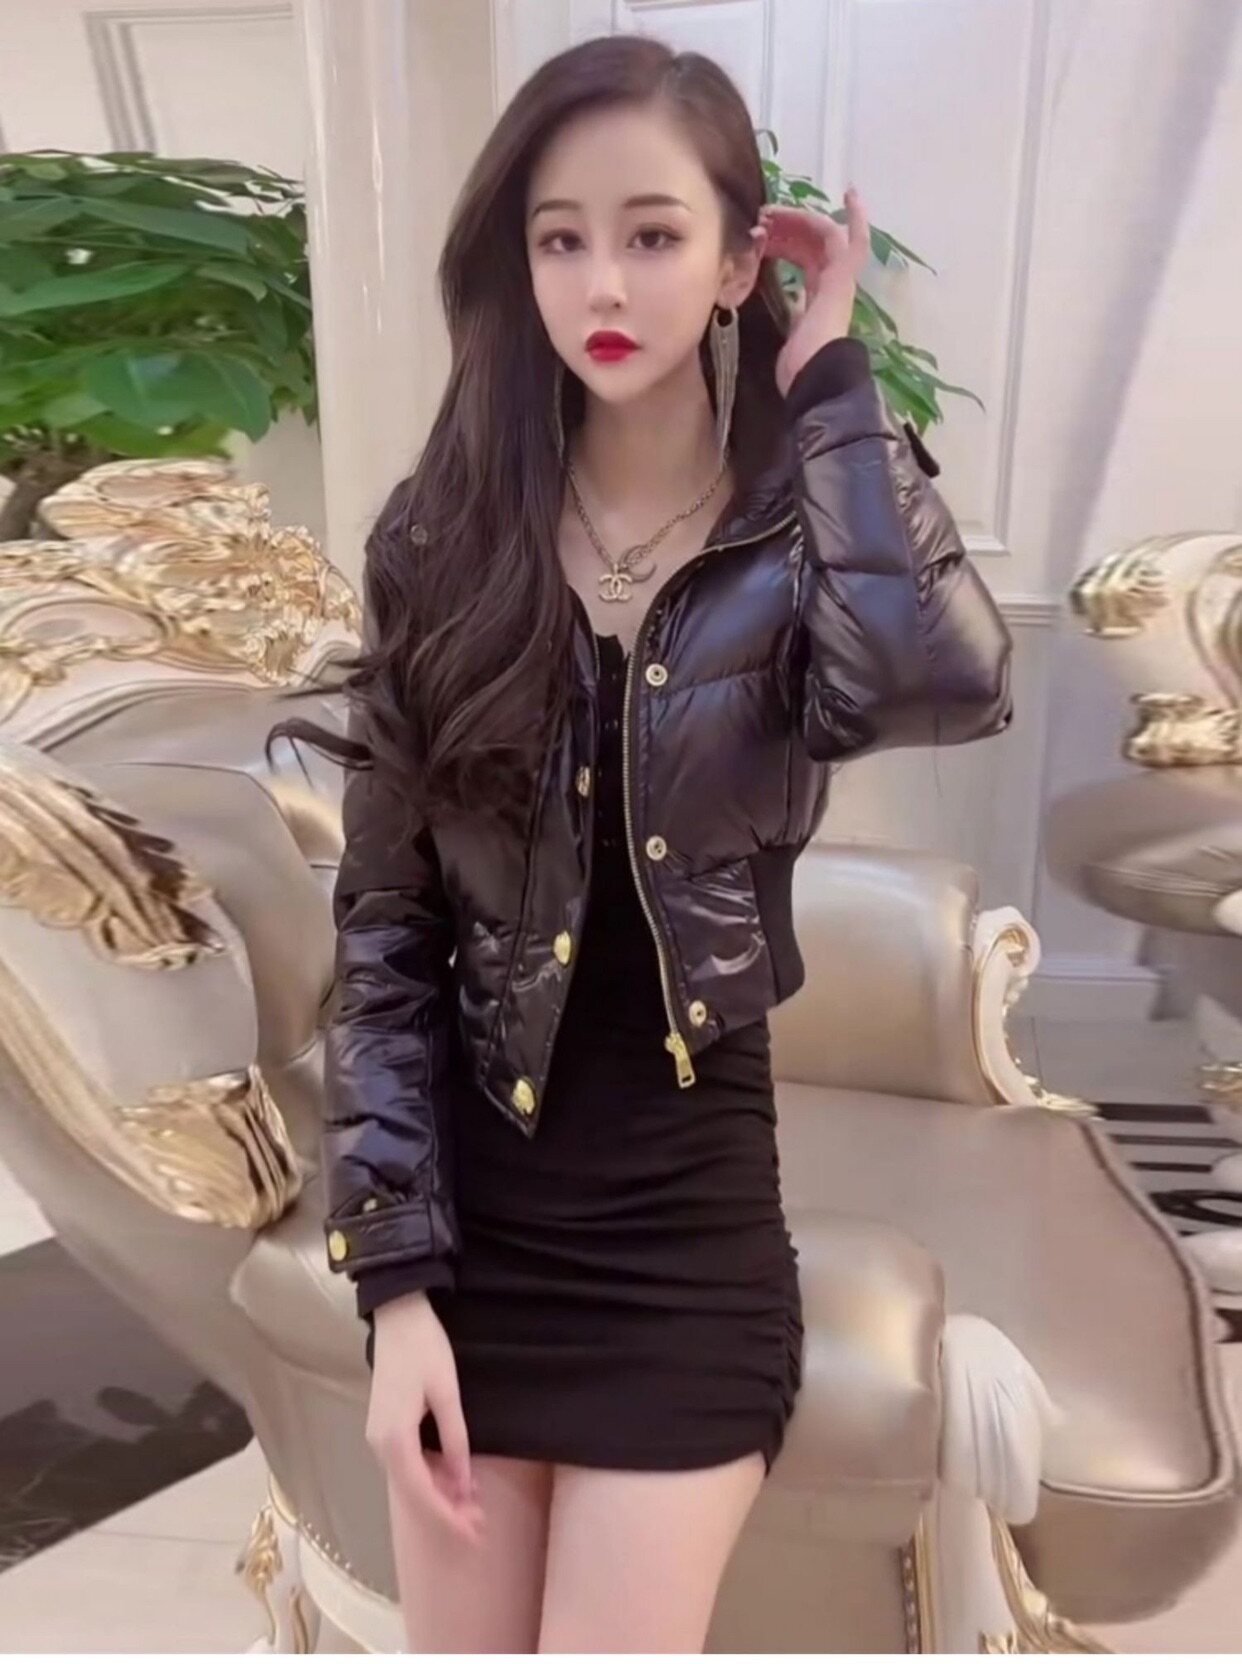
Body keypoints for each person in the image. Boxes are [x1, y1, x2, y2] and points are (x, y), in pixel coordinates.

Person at [279, 32, 1013, 1655]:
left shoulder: (800, 534)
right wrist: (397, 1290)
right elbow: (386, 933)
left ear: (739, 261)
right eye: (560, 237)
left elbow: (939, 685)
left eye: (655, 233)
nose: (601, 280)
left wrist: (832, 383)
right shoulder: (443, 539)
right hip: (476, 1225)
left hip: (682, 1228)